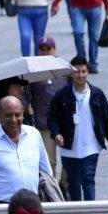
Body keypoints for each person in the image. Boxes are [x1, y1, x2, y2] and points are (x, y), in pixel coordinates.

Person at [48, 56, 108, 201]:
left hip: (91, 147)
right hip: (69, 148)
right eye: (76, 72)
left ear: (87, 72)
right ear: (71, 73)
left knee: (88, 179)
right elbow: (52, 118)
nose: (80, 75)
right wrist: (56, 134)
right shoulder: (62, 95)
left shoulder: (97, 94)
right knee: (73, 184)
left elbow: (106, 119)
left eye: (83, 71)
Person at [0, 97, 52, 205]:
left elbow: (46, 171)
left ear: (23, 114)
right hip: (1, 207)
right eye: (8, 115)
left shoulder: (34, 135)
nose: (13, 120)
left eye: (17, 115)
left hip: (32, 206)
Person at [27, 38, 68, 180]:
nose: (45, 53)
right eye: (42, 49)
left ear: (54, 50)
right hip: (43, 123)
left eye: (48, 49)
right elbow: (28, 98)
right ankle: (51, 188)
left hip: (65, 122)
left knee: (69, 160)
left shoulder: (64, 70)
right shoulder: (33, 74)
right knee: (49, 162)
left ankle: (64, 184)